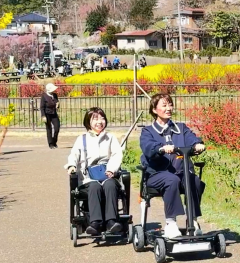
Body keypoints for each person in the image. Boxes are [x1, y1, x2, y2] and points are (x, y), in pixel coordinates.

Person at [139, 93, 207, 238]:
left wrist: (197, 144)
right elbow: (148, 147)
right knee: (172, 180)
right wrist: (161, 148)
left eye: (170, 104)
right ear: (154, 110)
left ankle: (193, 221)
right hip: (157, 175)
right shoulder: (148, 132)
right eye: (164, 105)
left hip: (180, 173)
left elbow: (191, 138)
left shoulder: (181, 128)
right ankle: (171, 223)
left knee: (194, 180)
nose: (168, 108)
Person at [65, 107, 126, 236]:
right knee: (94, 186)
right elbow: (74, 154)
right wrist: (71, 165)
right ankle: (95, 222)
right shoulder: (81, 139)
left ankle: (111, 221)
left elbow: (117, 155)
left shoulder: (110, 138)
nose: (100, 121)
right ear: (88, 122)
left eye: (102, 118)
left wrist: (112, 169)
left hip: (108, 175)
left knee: (110, 185)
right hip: (88, 178)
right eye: (95, 119)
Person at [41, 82, 61, 148]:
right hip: (47, 114)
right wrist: (43, 116)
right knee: (49, 129)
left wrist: (58, 105)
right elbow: (42, 107)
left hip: (54, 113)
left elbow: (57, 102)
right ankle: (50, 144)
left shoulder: (55, 95)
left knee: (57, 128)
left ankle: (54, 141)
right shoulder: (44, 96)